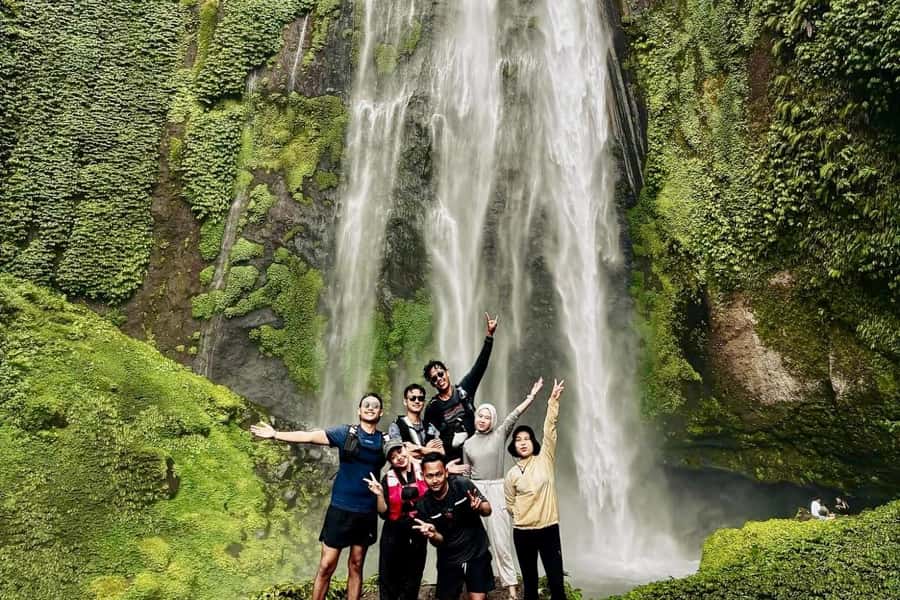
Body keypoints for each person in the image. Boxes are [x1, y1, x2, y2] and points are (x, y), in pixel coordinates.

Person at [250, 393, 387, 600]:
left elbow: (407, 453)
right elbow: (310, 436)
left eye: (375, 406)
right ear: (358, 410)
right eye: (366, 405)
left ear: (381, 412)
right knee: (326, 565)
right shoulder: (345, 433)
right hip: (341, 509)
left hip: (367, 511)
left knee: (357, 564)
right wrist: (275, 434)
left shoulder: (385, 441)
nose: (370, 408)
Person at [463, 377, 544, 600]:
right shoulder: (468, 443)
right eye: (480, 415)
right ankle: (474, 586)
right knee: (475, 539)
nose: (482, 419)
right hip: (475, 490)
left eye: (487, 417)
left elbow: (515, 415)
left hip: (497, 488)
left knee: (501, 539)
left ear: (493, 420)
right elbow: (466, 473)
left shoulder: (500, 435)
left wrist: (532, 395)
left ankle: (510, 588)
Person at [504, 379, 567, 600]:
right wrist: (523, 516)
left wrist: (553, 401)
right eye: (518, 440)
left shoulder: (545, 459)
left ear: (533, 442)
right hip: (523, 533)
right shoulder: (511, 474)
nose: (522, 442)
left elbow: (549, 430)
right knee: (530, 586)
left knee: (556, 583)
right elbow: (509, 503)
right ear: (513, 446)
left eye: (527, 439)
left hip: (549, 529)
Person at [412, 453, 495, 600]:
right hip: (449, 557)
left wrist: (479, 507)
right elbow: (438, 541)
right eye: (429, 476)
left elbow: (488, 510)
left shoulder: (462, 485)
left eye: (438, 474)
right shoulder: (423, 505)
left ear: (446, 472)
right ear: (423, 476)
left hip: (475, 551)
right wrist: (432, 534)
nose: (435, 480)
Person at [423, 312, 499, 463]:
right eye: (434, 378)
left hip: (477, 452)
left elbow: (480, 367)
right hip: (453, 459)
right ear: (432, 383)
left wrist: (489, 336)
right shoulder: (433, 407)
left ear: (447, 372)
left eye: (440, 373)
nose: (439, 379)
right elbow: (430, 438)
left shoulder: (464, 390)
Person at [364, 439, 429, 600]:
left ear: (406, 449)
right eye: (393, 457)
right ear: (390, 462)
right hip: (394, 530)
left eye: (399, 452)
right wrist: (379, 495)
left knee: (414, 575)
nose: (398, 457)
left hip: (418, 529)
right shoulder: (387, 479)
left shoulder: (425, 469)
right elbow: (383, 513)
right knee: (389, 575)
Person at [389, 383, 444, 458]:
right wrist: (429, 449)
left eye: (420, 398)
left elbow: (442, 452)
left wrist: (419, 449)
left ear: (424, 402)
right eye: (412, 398)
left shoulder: (430, 427)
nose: (417, 401)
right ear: (405, 401)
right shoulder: (396, 425)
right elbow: (398, 455)